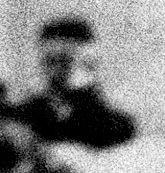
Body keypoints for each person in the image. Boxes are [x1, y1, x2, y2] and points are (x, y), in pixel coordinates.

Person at [12, 24, 134, 154]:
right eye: (49, 61)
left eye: (65, 61)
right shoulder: (26, 114)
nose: (54, 70)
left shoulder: (115, 125)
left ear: (89, 63)